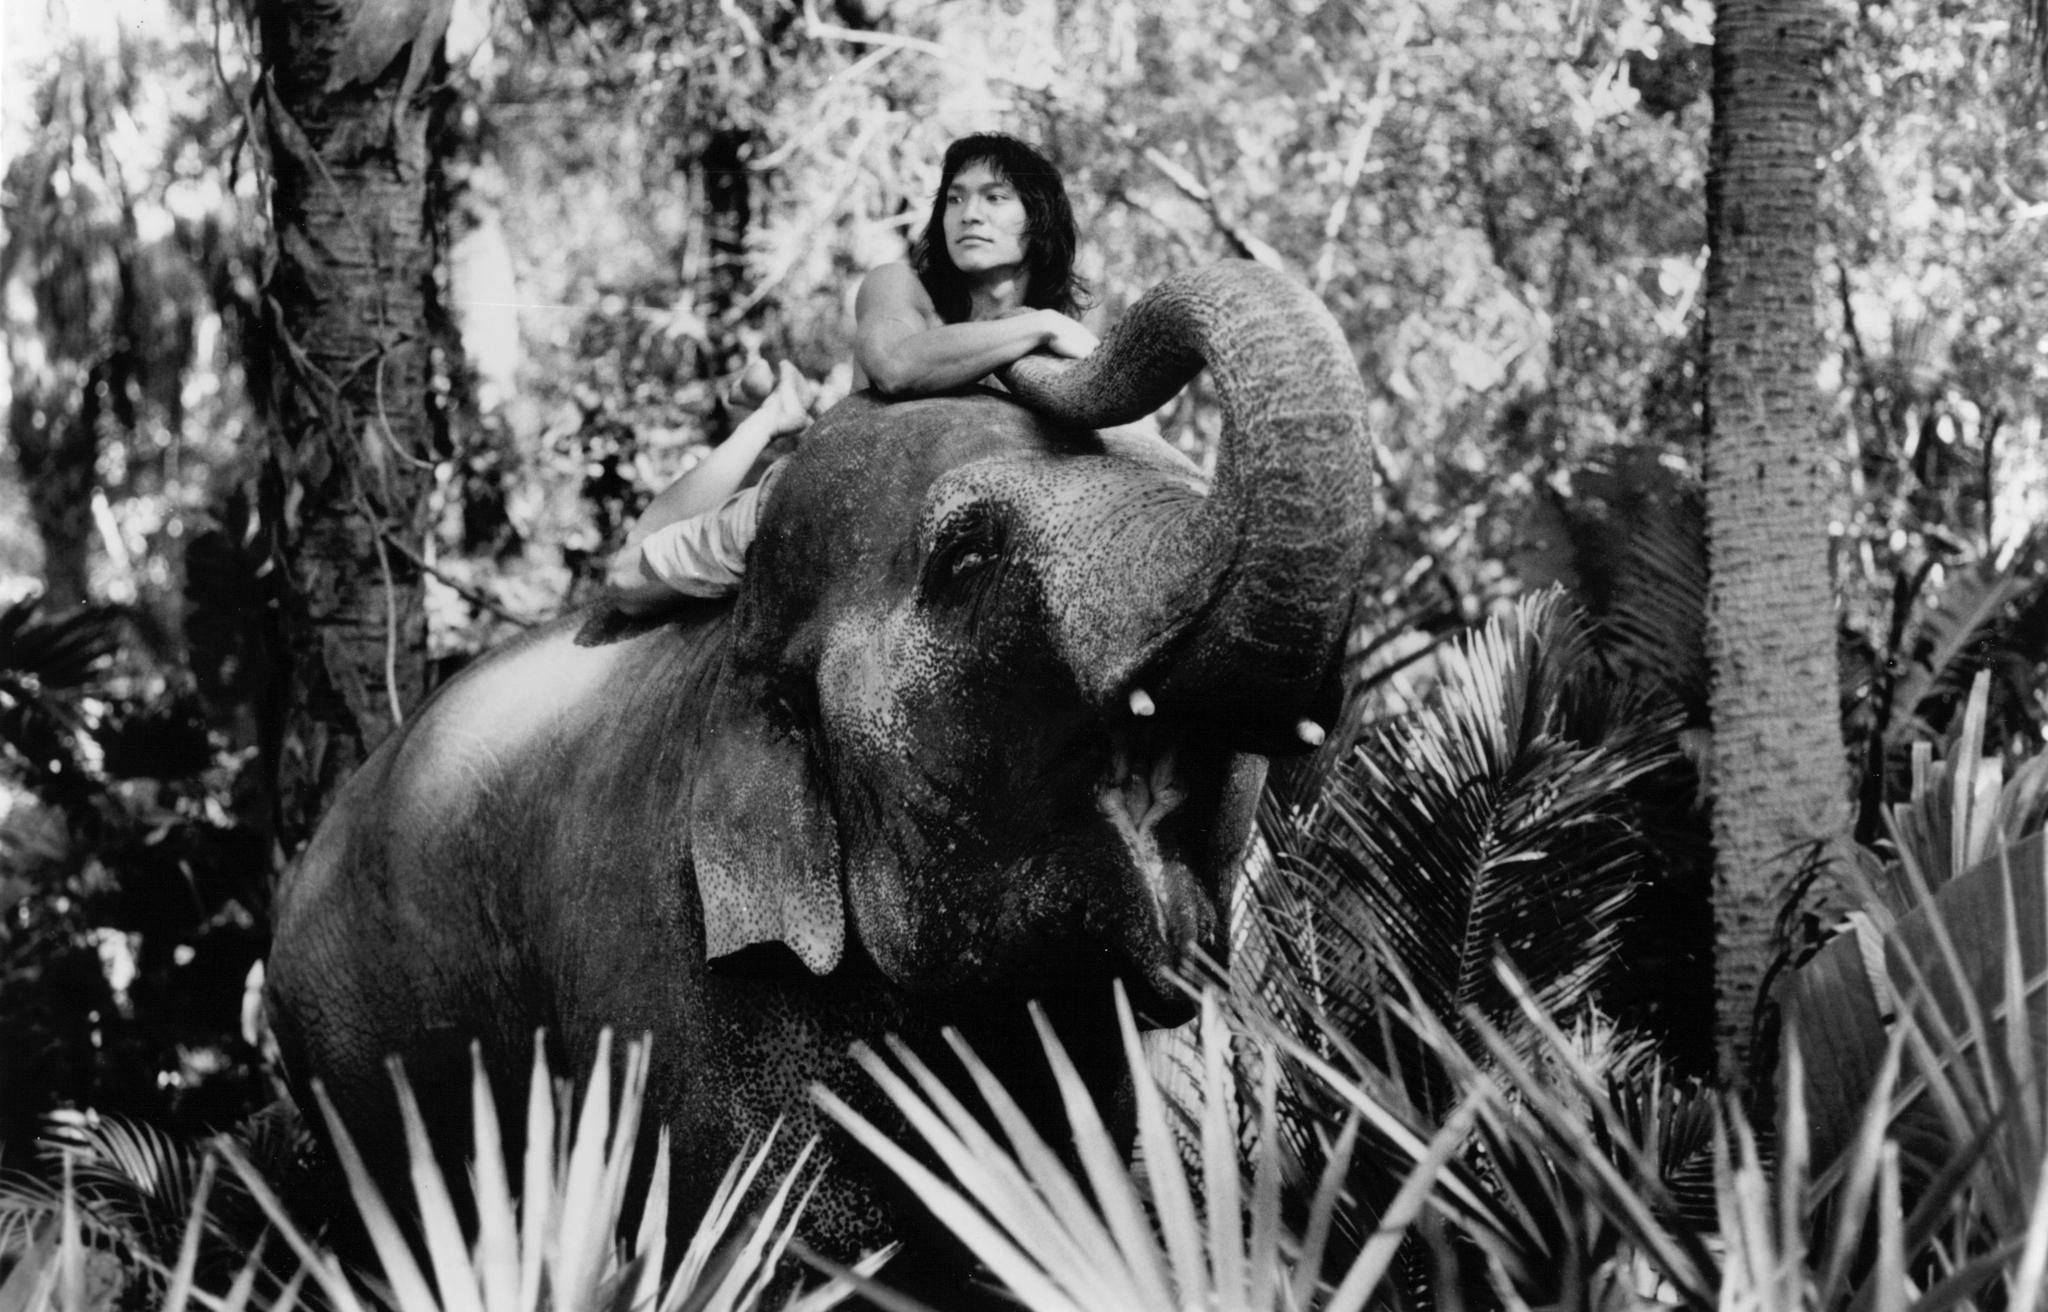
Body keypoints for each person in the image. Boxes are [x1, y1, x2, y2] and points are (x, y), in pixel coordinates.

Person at [608, 132, 1097, 608]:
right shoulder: (902, 288)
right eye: (955, 198)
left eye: (995, 197)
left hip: (936, 545)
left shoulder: (1056, 345)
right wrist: (1040, 326)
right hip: (823, 502)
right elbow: (895, 366)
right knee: (626, 579)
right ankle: (772, 417)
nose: (969, 213)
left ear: (1039, 220)